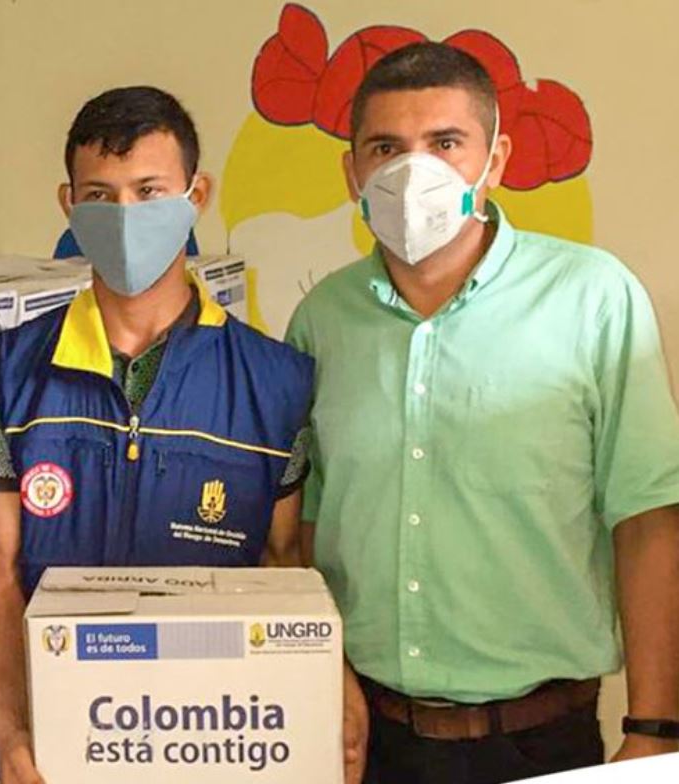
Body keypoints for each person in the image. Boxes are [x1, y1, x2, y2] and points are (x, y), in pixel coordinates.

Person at [287, 42, 679, 784]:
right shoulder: (320, 320)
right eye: (385, 147)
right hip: (368, 737)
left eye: (444, 143)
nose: (414, 171)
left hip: (542, 740)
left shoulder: (593, 297)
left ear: (494, 160)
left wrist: (657, 727)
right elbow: (307, 522)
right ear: (353, 173)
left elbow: (648, 514)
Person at [0, 86, 318, 783]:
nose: (125, 217)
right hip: (51, 746)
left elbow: (284, 567)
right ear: (68, 205)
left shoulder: (277, 383)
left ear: (197, 194)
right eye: (100, 195)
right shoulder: (10, 369)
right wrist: (8, 730)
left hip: (214, 740)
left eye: (150, 191)